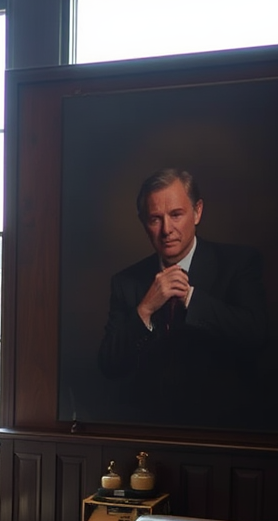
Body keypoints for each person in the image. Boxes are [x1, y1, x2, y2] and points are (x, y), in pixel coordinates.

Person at [97, 168, 269, 428]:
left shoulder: (239, 263)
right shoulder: (125, 282)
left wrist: (189, 297)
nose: (167, 229)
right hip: (149, 427)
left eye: (176, 214)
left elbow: (256, 335)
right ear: (143, 222)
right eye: (155, 218)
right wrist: (144, 310)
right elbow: (110, 365)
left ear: (197, 212)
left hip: (227, 427)